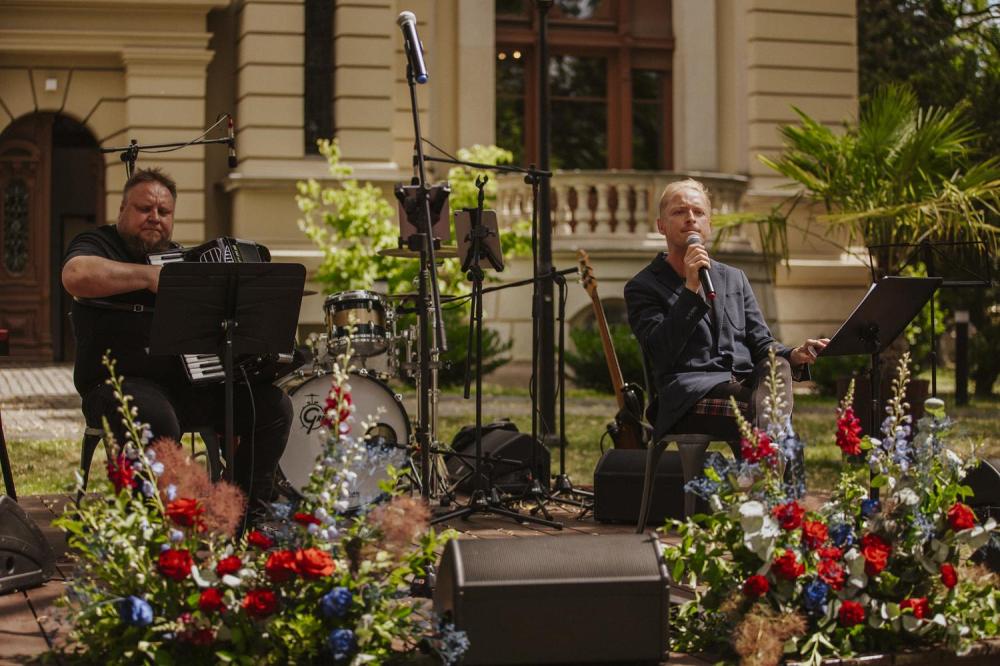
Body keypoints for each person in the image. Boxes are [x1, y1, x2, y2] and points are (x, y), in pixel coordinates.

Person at [62, 167, 291, 517]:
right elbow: (75, 275)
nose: (154, 217)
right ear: (122, 209)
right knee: (156, 417)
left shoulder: (183, 261)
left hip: (185, 388)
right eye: (144, 209)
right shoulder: (99, 243)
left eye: (164, 211)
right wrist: (149, 277)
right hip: (115, 386)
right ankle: (153, 523)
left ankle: (244, 514)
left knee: (273, 407)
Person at [625, 178, 828, 445]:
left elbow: (761, 344)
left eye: (698, 212)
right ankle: (768, 462)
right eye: (679, 211)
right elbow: (660, 352)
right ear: (661, 225)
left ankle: (765, 459)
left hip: (745, 386)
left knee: (777, 368)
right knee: (773, 426)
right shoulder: (643, 286)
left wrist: (794, 354)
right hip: (689, 396)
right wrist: (691, 289)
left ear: (709, 224)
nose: (690, 218)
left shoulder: (734, 278)